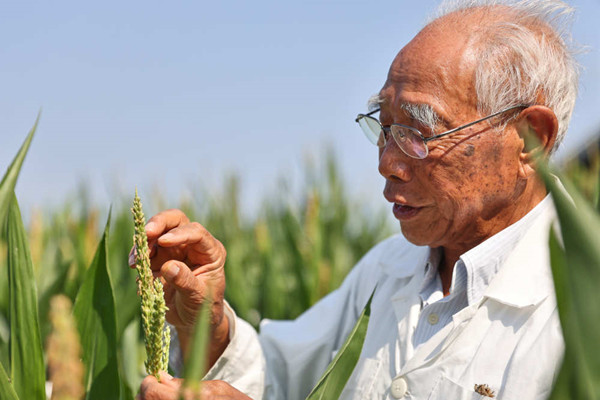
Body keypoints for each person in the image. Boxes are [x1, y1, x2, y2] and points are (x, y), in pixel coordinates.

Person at [133, 0, 579, 398]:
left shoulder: (579, 313)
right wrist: (208, 327)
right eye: (384, 128)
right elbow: (283, 379)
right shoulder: (387, 270)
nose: (387, 163)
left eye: (419, 133)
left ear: (529, 139)